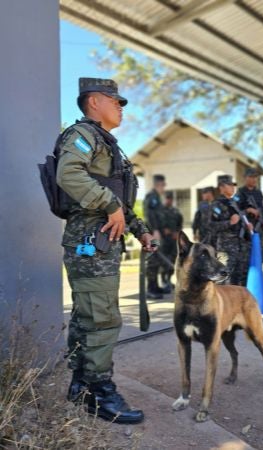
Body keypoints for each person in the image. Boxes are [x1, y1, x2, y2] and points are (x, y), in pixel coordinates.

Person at [58, 77, 156, 424]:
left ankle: (80, 385)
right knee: (102, 318)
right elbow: (67, 174)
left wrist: (141, 230)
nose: (121, 108)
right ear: (95, 101)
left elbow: (119, 202)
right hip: (90, 240)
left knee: (89, 317)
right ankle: (100, 392)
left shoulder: (108, 144)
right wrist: (108, 204)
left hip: (102, 240)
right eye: (116, 102)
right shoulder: (83, 136)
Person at [208, 175, 253, 287]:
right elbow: (211, 225)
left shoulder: (234, 203)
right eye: (229, 185)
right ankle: (220, 303)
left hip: (239, 245)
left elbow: (241, 219)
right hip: (225, 246)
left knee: (239, 276)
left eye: (233, 185)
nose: (232, 187)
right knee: (222, 277)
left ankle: (237, 302)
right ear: (221, 188)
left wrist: (247, 225)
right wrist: (229, 223)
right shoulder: (216, 204)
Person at [237, 168, 263, 262]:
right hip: (247, 228)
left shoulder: (259, 193)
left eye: (255, 177)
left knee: (259, 254)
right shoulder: (240, 192)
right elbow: (236, 210)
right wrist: (248, 210)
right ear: (245, 178)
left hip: (259, 227)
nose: (254, 179)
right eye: (251, 177)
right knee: (247, 256)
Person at [143, 174, 167, 299]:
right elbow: (149, 215)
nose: (164, 187)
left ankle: (155, 286)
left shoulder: (157, 197)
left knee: (157, 260)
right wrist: (156, 230)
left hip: (157, 233)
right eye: (163, 185)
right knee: (152, 261)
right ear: (158, 184)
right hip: (153, 234)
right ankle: (150, 289)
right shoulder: (151, 197)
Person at [160, 191, 183, 293]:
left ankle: (169, 280)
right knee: (164, 261)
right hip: (163, 241)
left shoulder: (175, 211)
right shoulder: (160, 211)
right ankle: (164, 281)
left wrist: (177, 233)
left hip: (173, 241)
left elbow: (180, 224)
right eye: (167, 198)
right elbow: (155, 225)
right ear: (164, 199)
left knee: (173, 261)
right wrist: (163, 230)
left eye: (170, 198)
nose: (169, 200)